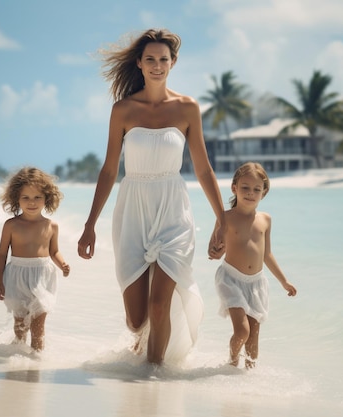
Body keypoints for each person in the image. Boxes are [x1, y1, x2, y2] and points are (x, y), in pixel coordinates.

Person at [77, 28, 225, 365]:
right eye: (150, 60)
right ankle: (143, 346)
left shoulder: (187, 108)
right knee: (137, 320)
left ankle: (152, 378)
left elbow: (203, 170)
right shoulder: (123, 110)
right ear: (140, 64)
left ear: (173, 62)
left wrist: (223, 220)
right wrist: (89, 225)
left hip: (173, 211)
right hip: (133, 212)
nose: (157, 65)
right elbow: (109, 170)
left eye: (163, 59)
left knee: (160, 305)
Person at [208, 162, 296, 368]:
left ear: (263, 193)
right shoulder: (225, 218)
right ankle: (231, 363)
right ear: (234, 188)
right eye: (245, 187)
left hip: (256, 284)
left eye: (257, 189)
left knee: (253, 343)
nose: (250, 193)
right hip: (230, 279)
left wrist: (284, 281)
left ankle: (249, 382)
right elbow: (213, 250)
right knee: (242, 331)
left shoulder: (265, 220)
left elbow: (267, 254)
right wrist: (215, 251)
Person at [0, 167, 70, 352]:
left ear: (47, 198)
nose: (32, 203)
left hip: (42, 277)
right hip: (17, 276)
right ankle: (18, 355)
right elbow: (2, 254)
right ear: (16, 199)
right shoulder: (11, 225)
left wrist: (62, 264)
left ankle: (36, 361)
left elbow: (54, 251)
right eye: (25, 198)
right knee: (21, 326)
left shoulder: (51, 226)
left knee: (38, 326)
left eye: (37, 197)